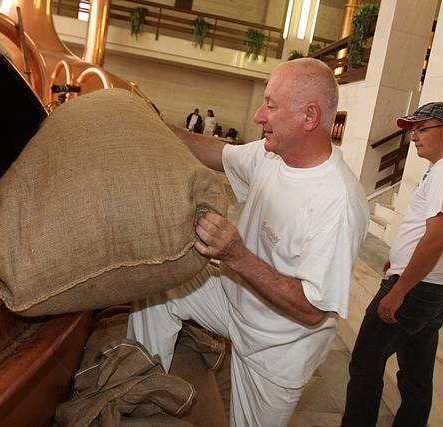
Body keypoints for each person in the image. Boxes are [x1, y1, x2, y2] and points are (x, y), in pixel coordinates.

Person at [128, 58, 369, 426]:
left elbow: (312, 310)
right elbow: (217, 153)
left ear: (309, 116)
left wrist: (236, 255)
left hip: (277, 350)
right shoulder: (273, 155)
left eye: (270, 105)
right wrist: (155, 127)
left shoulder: (337, 202)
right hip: (233, 301)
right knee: (159, 284)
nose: (258, 115)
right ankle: (142, 387)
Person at [341, 102, 443, 427]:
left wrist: (400, 289)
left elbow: (436, 238)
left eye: (422, 128)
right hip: (434, 287)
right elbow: (429, 233)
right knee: (416, 377)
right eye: (413, 130)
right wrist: (401, 255)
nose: (414, 136)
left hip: (417, 289)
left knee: (365, 363)